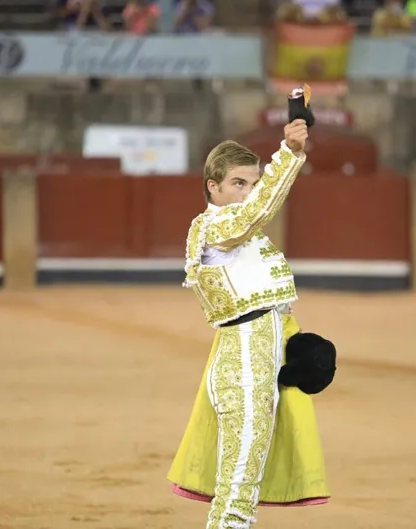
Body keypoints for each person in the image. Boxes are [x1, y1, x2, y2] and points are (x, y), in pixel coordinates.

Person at [167, 119, 331, 528]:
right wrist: (289, 153)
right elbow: (257, 212)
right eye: (238, 183)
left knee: (244, 477)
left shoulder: (247, 238)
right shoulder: (213, 227)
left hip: (259, 355)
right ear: (213, 187)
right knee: (239, 483)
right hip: (242, 362)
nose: (249, 193)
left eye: (254, 184)